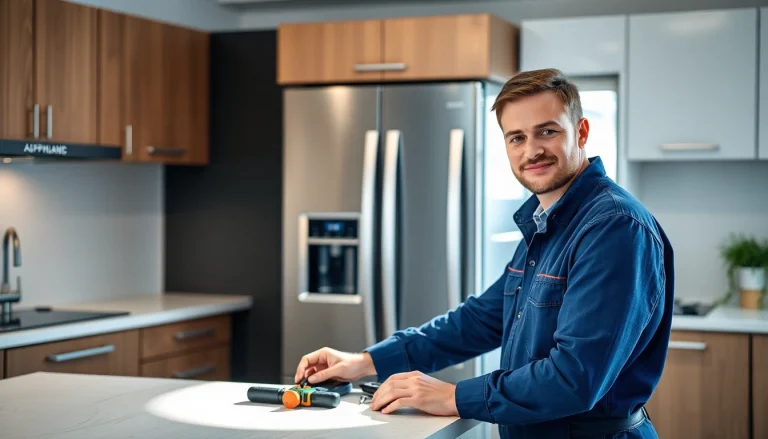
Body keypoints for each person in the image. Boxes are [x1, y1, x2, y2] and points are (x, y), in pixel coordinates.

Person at [293, 68, 674, 439]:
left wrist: (453, 396)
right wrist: (365, 361)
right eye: (517, 138)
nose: (532, 150)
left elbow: (574, 378)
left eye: (547, 131)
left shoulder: (615, 227)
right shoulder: (546, 222)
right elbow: (481, 319)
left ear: (581, 131)